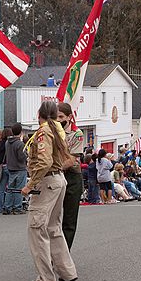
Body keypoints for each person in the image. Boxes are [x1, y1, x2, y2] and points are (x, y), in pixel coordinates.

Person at [21, 101, 77, 281]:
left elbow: (44, 161)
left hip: (47, 182)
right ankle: (67, 271)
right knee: (54, 227)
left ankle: (45, 279)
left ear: (39, 114)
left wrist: (30, 184)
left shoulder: (44, 132)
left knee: (37, 229)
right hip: (58, 179)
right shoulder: (57, 131)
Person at [57, 102, 84, 250]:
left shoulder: (77, 134)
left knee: (69, 220)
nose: (59, 120)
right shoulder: (53, 133)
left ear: (69, 117)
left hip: (72, 178)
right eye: (56, 117)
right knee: (54, 219)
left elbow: (72, 160)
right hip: (55, 178)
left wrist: (54, 169)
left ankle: (64, 255)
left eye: (61, 116)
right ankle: (53, 253)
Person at [3, 123, 27, 215]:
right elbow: (21, 157)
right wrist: (26, 156)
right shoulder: (20, 144)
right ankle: (17, 207)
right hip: (20, 168)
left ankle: (7, 207)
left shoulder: (7, 143)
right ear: (20, 132)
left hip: (10, 167)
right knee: (19, 189)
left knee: (10, 188)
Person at [0, 127, 12, 214]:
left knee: (1, 188)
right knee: (11, 188)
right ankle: (8, 206)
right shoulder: (9, 144)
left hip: (2, 165)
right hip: (9, 165)